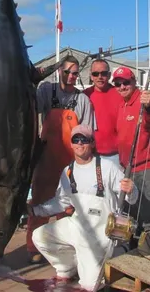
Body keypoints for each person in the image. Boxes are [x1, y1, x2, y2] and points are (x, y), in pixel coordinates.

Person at [30, 124, 138, 291]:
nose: (80, 143)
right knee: (39, 236)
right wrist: (34, 210)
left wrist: (132, 190)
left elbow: (132, 199)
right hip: (77, 225)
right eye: (76, 139)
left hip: (101, 233)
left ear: (92, 143)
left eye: (84, 140)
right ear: (71, 144)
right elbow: (61, 202)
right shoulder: (68, 171)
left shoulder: (108, 167)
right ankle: (66, 268)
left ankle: (110, 256)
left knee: (90, 286)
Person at [26, 55, 94, 263]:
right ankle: (35, 248)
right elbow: (31, 105)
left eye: (75, 73)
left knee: (68, 207)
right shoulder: (46, 91)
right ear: (59, 71)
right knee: (40, 203)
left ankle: (65, 248)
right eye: (67, 72)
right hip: (45, 161)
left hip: (71, 162)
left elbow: (89, 134)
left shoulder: (83, 100)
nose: (72, 76)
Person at [113, 66, 150, 243]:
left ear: (134, 82)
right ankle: (136, 249)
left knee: (147, 217)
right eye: (118, 83)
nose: (121, 87)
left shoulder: (143, 101)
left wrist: (149, 106)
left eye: (125, 82)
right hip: (126, 170)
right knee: (131, 217)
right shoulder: (122, 104)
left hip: (144, 170)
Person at [83, 59, 123, 165]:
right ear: (91, 76)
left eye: (104, 73)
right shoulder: (84, 96)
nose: (100, 77)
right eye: (96, 74)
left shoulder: (121, 93)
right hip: (92, 154)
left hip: (117, 155)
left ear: (109, 75)